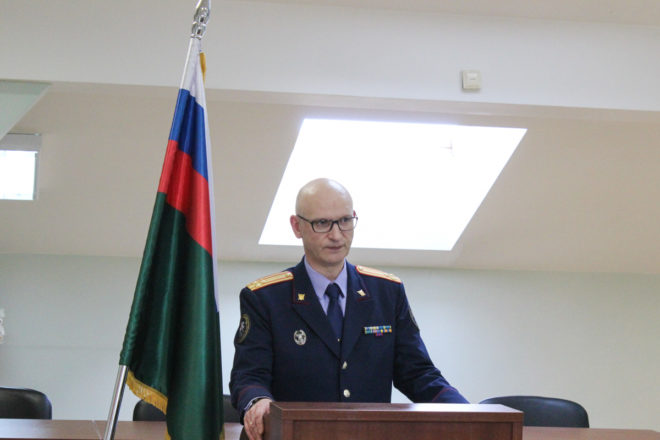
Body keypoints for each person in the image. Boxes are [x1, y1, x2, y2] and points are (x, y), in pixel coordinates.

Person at [229, 178, 468, 440]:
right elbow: (249, 375)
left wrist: (468, 413)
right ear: (297, 226)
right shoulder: (265, 298)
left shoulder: (387, 292)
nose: (336, 235)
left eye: (345, 221)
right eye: (322, 223)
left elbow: (417, 373)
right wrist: (258, 402)